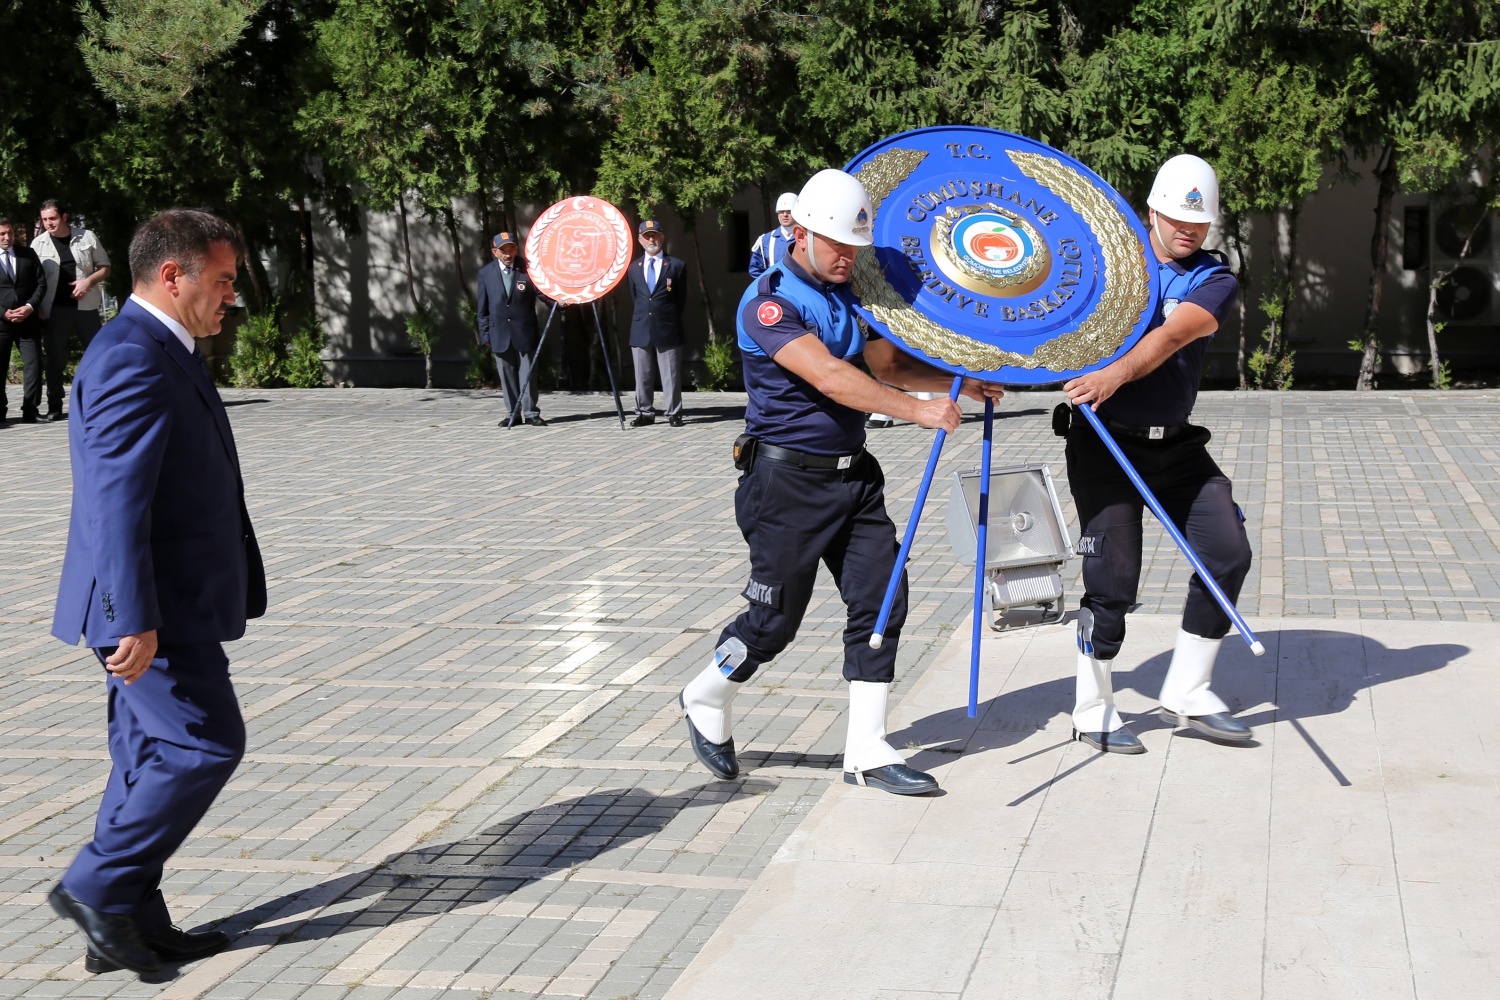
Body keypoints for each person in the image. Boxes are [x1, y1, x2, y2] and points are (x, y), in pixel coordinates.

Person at [678, 169, 1003, 796]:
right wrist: (918, 410)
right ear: (800, 233)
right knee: (773, 624)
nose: (846, 257)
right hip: (785, 486)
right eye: (835, 245)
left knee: (883, 600)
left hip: (853, 479)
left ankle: (867, 747)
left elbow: (884, 363)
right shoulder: (767, 302)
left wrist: (957, 384)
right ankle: (705, 695)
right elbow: (828, 376)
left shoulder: (849, 292)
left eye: (854, 246)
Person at [48, 209, 267, 977]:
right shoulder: (133, 357)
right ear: (173, 277)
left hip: (168, 600)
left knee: (144, 753)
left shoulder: (157, 347)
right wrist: (130, 618)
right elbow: (113, 500)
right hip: (152, 610)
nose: (229, 297)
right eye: (222, 280)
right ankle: (96, 888)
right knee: (204, 743)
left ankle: (133, 924)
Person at [1059, 154, 1253, 755]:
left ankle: (1188, 691)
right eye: (1176, 218)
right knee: (1112, 579)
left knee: (1228, 552)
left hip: (1176, 446)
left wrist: (1114, 373)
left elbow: (1175, 335)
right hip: (1104, 443)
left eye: (1199, 223)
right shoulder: (1107, 267)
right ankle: (1092, 710)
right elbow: (1046, 311)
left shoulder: (1214, 278)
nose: (1188, 230)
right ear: (1152, 212)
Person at [33, 199, 113, 421]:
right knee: (55, 360)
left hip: (86, 308)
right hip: (54, 310)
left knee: (97, 357)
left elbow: (105, 267)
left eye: (53, 218)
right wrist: (37, 306)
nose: (49, 223)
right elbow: (34, 280)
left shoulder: (87, 236)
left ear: (64, 217)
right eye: (45, 219)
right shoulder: (38, 244)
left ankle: (100, 403)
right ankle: (55, 406)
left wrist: (88, 281)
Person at [477, 231, 546, 427]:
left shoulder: (527, 268)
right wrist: (485, 335)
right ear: (494, 252)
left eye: (511, 249)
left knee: (528, 374)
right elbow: (482, 308)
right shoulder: (485, 274)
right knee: (506, 376)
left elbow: (542, 292)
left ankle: (531, 413)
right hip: (499, 332)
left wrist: (558, 301)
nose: (508, 254)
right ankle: (513, 413)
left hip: (524, 330)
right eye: (503, 250)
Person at [626, 219, 687, 427]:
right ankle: (644, 412)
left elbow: (681, 298)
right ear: (640, 240)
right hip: (641, 325)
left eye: (655, 235)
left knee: (670, 373)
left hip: (667, 325)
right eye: (647, 236)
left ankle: (673, 413)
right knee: (642, 374)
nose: (651, 239)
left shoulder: (677, 266)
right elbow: (635, 297)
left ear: (662, 237)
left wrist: (667, 315)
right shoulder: (634, 268)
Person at [0, 217, 48, 425]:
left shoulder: (27, 254)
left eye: (9, 232)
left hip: (27, 322)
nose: (7, 237)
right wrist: (3, 312)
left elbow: (41, 284)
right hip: (1, 323)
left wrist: (29, 307)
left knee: (33, 366)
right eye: (2, 233)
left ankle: (31, 409)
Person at [747, 192, 797, 278]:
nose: (785, 215)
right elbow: (755, 269)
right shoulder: (766, 239)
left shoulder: (807, 238)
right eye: (781, 211)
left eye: (789, 211)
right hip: (774, 290)